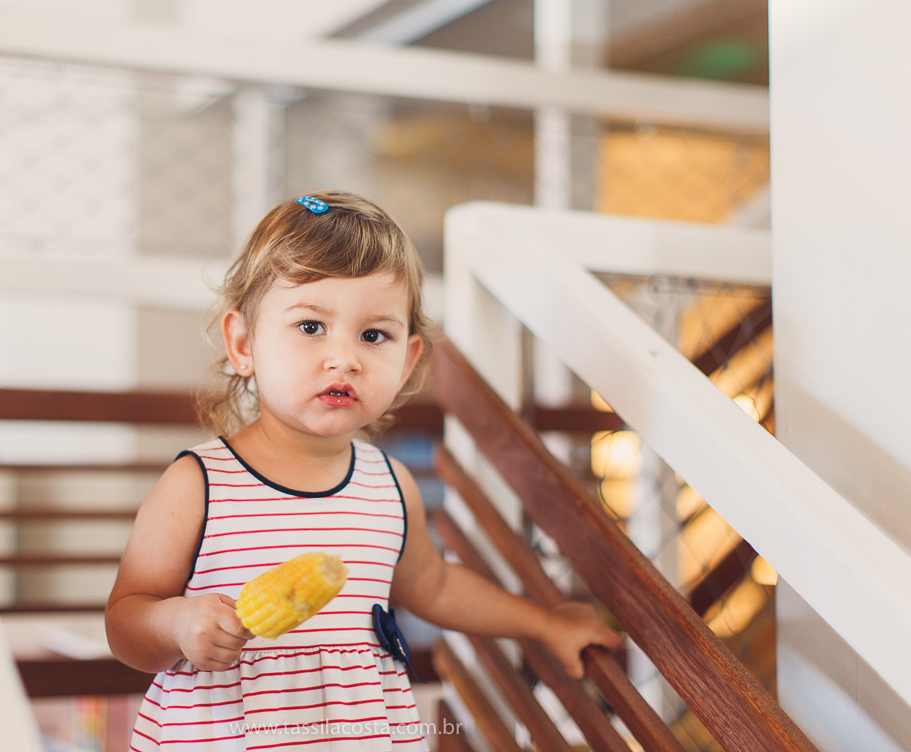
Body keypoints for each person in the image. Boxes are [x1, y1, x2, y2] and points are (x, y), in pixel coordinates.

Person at [106, 192, 620, 751]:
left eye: (373, 335)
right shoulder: (201, 484)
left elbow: (436, 586)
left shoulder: (390, 486)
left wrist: (545, 625)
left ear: (407, 360)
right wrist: (178, 626)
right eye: (310, 327)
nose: (344, 357)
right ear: (243, 342)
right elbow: (125, 621)